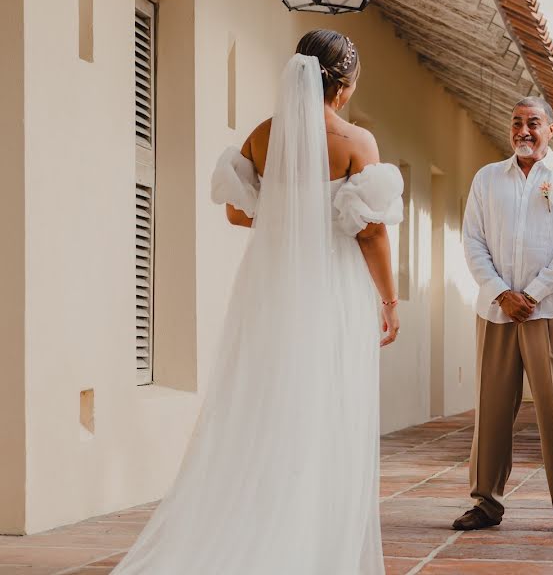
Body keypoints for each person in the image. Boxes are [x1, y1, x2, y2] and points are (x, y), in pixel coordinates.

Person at [111, 29, 402, 574]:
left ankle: (255, 526)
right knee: (325, 408)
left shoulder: (262, 138)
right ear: (341, 87)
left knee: (266, 404)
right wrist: (389, 300)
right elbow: (371, 234)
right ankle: (309, 543)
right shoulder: (355, 142)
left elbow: (237, 213)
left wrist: (289, 215)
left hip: (270, 290)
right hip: (330, 290)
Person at [455, 97, 553, 535]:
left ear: (551, 130)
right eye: (516, 122)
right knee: (491, 408)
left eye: (533, 123)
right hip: (496, 311)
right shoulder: (487, 178)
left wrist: (531, 294)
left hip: (550, 310)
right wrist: (501, 293)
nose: (523, 131)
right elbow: (472, 241)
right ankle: (485, 502)